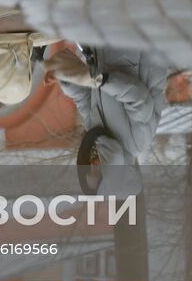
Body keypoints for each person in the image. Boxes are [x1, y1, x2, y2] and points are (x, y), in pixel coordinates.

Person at [46, 43, 170, 194]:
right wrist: (100, 80)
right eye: (97, 173)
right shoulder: (138, 142)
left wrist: (63, 77)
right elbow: (138, 99)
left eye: (88, 170)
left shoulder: (95, 132)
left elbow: (83, 96)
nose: (92, 165)